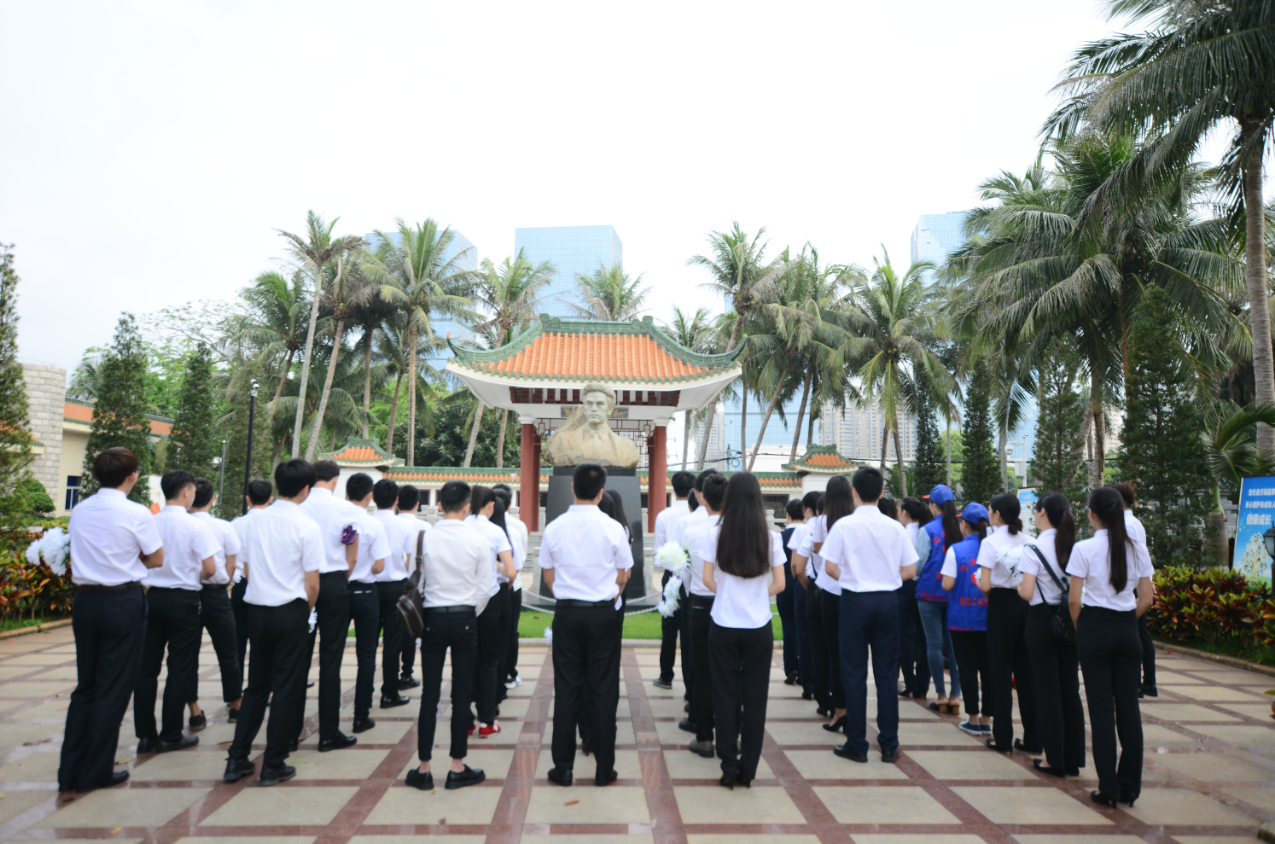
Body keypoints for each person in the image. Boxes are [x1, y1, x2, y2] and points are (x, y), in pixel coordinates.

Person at [59, 448, 163, 793]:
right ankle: (95, 772)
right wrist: (127, 564)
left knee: (86, 687)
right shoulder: (136, 512)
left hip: (86, 602)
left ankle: (69, 771)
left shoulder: (81, 509)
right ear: (132, 476)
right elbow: (156, 558)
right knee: (113, 689)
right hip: (122, 601)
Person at [224, 459, 323, 787]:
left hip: (258, 611)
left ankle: (237, 758)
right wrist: (305, 611)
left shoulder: (254, 522)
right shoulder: (306, 526)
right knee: (285, 689)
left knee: (256, 687)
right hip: (290, 611)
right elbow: (312, 583)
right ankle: (273, 763)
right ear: (306, 489)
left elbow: (247, 569)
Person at [540, 462, 632, 787]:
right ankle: (604, 769)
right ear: (601, 491)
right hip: (603, 615)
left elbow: (548, 577)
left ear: (572, 488)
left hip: (567, 614)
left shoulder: (554, 528)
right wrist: (609, 595)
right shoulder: (614, 528)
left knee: (567, 689)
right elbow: (624, 575)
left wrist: (568, 595)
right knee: (603, 689)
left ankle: (563, 768)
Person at [822, 467, 918, 763]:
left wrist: (854, 578)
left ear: (854, 492)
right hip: (887, 602)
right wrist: (885, 579)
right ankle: (889, 745)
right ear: (881, 493)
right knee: (887, 674)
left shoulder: (843, 525)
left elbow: (829, 567)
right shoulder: (895, 527)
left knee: (854, 672)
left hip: (854, 601)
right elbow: (910, 570)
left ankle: (857, 744)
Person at [697, 472, 786, 788]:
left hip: (723, 624)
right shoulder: (771, 537)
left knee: (725, 696)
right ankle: (748, 769)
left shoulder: (715, 534)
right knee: (755, 698)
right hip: (759, 626)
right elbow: (780, 583)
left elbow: (707, 579)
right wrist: (756, 596)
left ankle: (728, 766)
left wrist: (727, 593)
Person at [1069, 487, 1155, 808]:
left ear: (1092, 515)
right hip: (1127, 631)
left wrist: (1084, 629)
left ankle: (1108, 788)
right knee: (1129, 708)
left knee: (1101, 709)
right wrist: (1125, 621)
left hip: (1094, 629)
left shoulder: (1084, 549)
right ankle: (1129, 786)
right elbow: (1146, 599)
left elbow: (1074, 600)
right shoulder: (1138, 549)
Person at [405, 480, 490, 791]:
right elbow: (485, 588)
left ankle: (424, 768)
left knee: (430, 693)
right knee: (461, 694)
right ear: (467, 507)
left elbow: (413, 578)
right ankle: (457, 767)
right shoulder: (478, 540)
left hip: (433, 618)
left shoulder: (424, 537)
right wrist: (469, 611)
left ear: (440, 505)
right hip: (465, 617)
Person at [135, 470, 218, 754]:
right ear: (186, 491)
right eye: (193, 490)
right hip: (184, 600)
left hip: (153, 597)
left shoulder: (150, 521)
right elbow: (210, 569)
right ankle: (171, 733)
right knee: (179, 667)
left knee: (147, 668)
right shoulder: (195, 525)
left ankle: (146, 735)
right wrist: (194, 577)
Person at [1018, 493, 1085, 777]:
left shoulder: (1033, 548)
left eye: (1035, 510)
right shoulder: (1076, 547)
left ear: (1043, 512)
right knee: (1070, 689)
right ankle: (1073, 759)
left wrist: (1018, 586)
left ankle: (1053, 759)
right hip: (1070, 621)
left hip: (1041, 623)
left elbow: (1027, 592)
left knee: (1047, 691)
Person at [297, 460, 359, 747]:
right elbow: (352, 555)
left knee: (297, 659)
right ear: (336, 479)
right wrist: (339, 580)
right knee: (331, 661)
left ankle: (290, 732)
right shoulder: (346, 509)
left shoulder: (299, 506)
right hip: (334, 582)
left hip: (302, 583)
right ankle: (328, 734)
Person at [977, 493, 1039, 754]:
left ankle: (1002, 737)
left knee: (1001, 672)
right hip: (1027, 605)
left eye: (990, 510)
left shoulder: (990, 542)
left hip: (1001, 606)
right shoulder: (1031, 541)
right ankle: (1033, 738)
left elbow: (985, 585)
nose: (989, 514)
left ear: (998, 514)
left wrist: (986, 589)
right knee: (1027, 674)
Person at [186, 478, 243, 731]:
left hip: (188, 594)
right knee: (228, 652)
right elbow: (232, 563)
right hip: (217, 595)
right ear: (213, 499)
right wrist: (225, 582)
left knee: (188, 655)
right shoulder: (224, 527)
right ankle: (236, 706)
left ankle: (194, 711)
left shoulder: (183, 525)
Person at [681, 471, 727, 757]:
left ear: (702, 498)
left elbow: (685, 570)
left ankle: (704, 735)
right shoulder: (737, 529)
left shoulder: (692, 531)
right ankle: (730, 734)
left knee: (701, 672)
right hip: (729, 604)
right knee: (729, 672)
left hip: (700, 603)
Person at [467, 485, 516, 737]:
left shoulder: (459, 527)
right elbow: (511, 571)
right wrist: (494, 564)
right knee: (488, 660)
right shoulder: (495, 531)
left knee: (464, 660)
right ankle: (487, 721)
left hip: (461, 601)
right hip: (488, 600)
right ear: (491, 505)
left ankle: (464, 720)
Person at [809, 478, 855, 733]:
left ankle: (840, 711)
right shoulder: (854, 520)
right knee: (852, 655)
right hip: (853, 590)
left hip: (829, 589)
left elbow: (818, 549)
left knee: (834, 654)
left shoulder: (823, 521)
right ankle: (853, 712)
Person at [942, 503, 991, 736]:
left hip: (962, 619)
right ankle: (987, 719)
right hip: (989, 619)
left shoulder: (956, 550)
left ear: (964, 525)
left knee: (967, 669)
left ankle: (972, 718)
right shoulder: (993, 548)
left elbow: (947, 584)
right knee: (989, 670)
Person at [346, 474, 389, 734]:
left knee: (331, 654)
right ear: (370, 496)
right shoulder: (373, 524)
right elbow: (380, 565)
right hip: (365, 591)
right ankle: (360, 715)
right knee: (366, 655)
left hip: (340, 591)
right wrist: (367, 568)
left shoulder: (340, 521)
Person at [916, 485, 962, 714]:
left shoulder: (927, 530)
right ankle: (956, 697)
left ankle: (941, 696)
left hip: (929, 593)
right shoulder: (962, 527)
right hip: (955, 595)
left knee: (933, 644)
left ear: (934, 505)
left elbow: (919, 563)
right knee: (954, 647)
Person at [1112, 482, 1157, 698]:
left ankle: (1140, 683)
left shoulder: (1125, 525)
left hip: (1132, 584)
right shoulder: (1135, 522)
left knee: (1136, 633)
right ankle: (1148, 682)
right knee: (1141, 633)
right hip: (1140, 582)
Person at [371, 478, 413, 712]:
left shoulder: (367, 522)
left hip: (370, 586)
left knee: (367, 645)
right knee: (392, 644)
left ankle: (364, 693)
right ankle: (389, 692)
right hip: (396, 587)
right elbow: (410, 559)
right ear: (397, 500)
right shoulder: (403, 525)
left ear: (373, 498)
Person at [654, 470, 694, 690]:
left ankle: (666, 675)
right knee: (690, 629)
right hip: (694, 576)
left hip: (671, 576)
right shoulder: (698, 515)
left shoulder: (664, 515)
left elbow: (660, 552)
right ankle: (691, 684)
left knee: (669, 627)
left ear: (673, 487)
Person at [231, 480, 273, 679]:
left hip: (240, 585)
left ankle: (236, 690)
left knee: (238, 642)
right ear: (271, 499)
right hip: (265, 586)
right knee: (263, 642)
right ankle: (260, 686)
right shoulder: (273, 525)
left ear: (248, 499)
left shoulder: (234, 525)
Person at [395, 483, 430, 690]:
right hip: (416, 586)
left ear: (396, 502)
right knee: (410, 629)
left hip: (387, 585)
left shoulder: (385, 523)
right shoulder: (425, 527)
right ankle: (406, 673)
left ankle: (390, 678)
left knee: (392, 635)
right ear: (418, 504)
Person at [491, 484, 526, 690]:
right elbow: (518, 564)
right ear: (510, 504)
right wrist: (509, 584)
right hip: (510, 587)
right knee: (509, 634)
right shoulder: (517, 527)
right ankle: (508, 674)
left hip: (489, 590)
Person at [895, 498, 931, 701]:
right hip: (924, 585)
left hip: (905, 585)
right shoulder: (926, 531)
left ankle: (910, 681)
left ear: (905, 512)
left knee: (905, 635)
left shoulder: (903, 533)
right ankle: (923, 684)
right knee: (925, 637)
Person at [788, 491, 820, 702]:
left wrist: (803, 586)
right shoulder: (832, 525)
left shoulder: (802, 529)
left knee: (805, 635)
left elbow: (795, 565)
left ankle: (808, 684)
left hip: (805, 584)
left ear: (807, 509)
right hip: (827, 586)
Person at [776, 500, 802, 686]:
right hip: (804, 584)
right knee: (806, 629)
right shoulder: (810, 533)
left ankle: (791, 667)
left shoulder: (781, 536)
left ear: (788, 515)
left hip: (785, 584)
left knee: (788, 627)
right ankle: (806, 668)